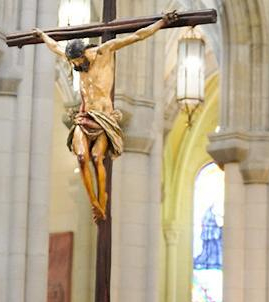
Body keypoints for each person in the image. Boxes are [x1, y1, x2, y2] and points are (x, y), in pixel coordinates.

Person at [35, 11, 178, 221]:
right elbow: (54, 46)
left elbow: (137, 36)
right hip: (84, 117)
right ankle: (95, 204)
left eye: (77, 61)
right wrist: (41, 35)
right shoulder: (73, 59)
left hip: (104, 119)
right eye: (72, 62)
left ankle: (103, 199)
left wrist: (162, 22)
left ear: (84, 53)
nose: (75, 66)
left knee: (96, 158)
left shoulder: (104, 52)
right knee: (82, 158)